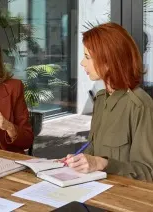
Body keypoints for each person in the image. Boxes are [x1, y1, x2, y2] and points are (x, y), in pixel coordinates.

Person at [62, 22, 153, 181]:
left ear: (109, 60)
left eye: (88, 57)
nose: (82, 63)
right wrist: (78, 160)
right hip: (95, 192)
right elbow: (94, 149)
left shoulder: (140, 105)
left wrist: (103, 163)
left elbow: (148, 172)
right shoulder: (101, 99)